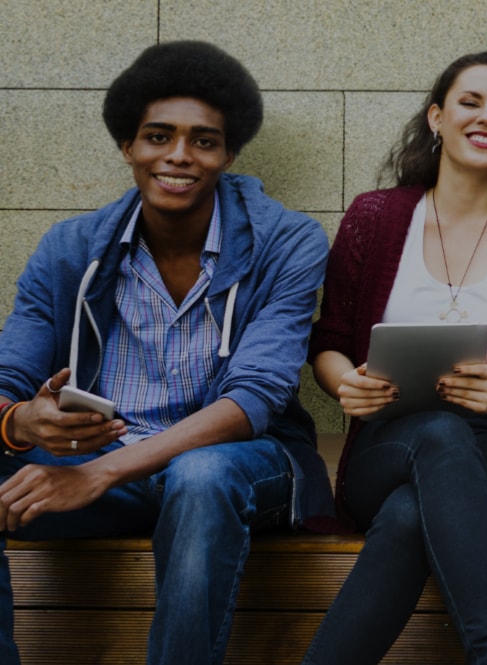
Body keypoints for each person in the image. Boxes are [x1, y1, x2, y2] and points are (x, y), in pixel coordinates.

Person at [0, 41, 332, 663]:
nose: (179, 155)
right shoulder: (71, 248)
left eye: (204, 140)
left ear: (229, 154)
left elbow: (257, 397)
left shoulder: (288, 242)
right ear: (128, 145)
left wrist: (97, 473)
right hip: (105, 468)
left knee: (198, 475)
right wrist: (21, 423)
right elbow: (9, 376)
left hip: (236, 466)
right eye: (158, 136)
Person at [300, 51, 487, 665]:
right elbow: (327, 341)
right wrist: (345, 383)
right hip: (386, 443)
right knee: (434, 432)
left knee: (411, 514)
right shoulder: (375, 219)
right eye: (471, 102)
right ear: (437, 117)